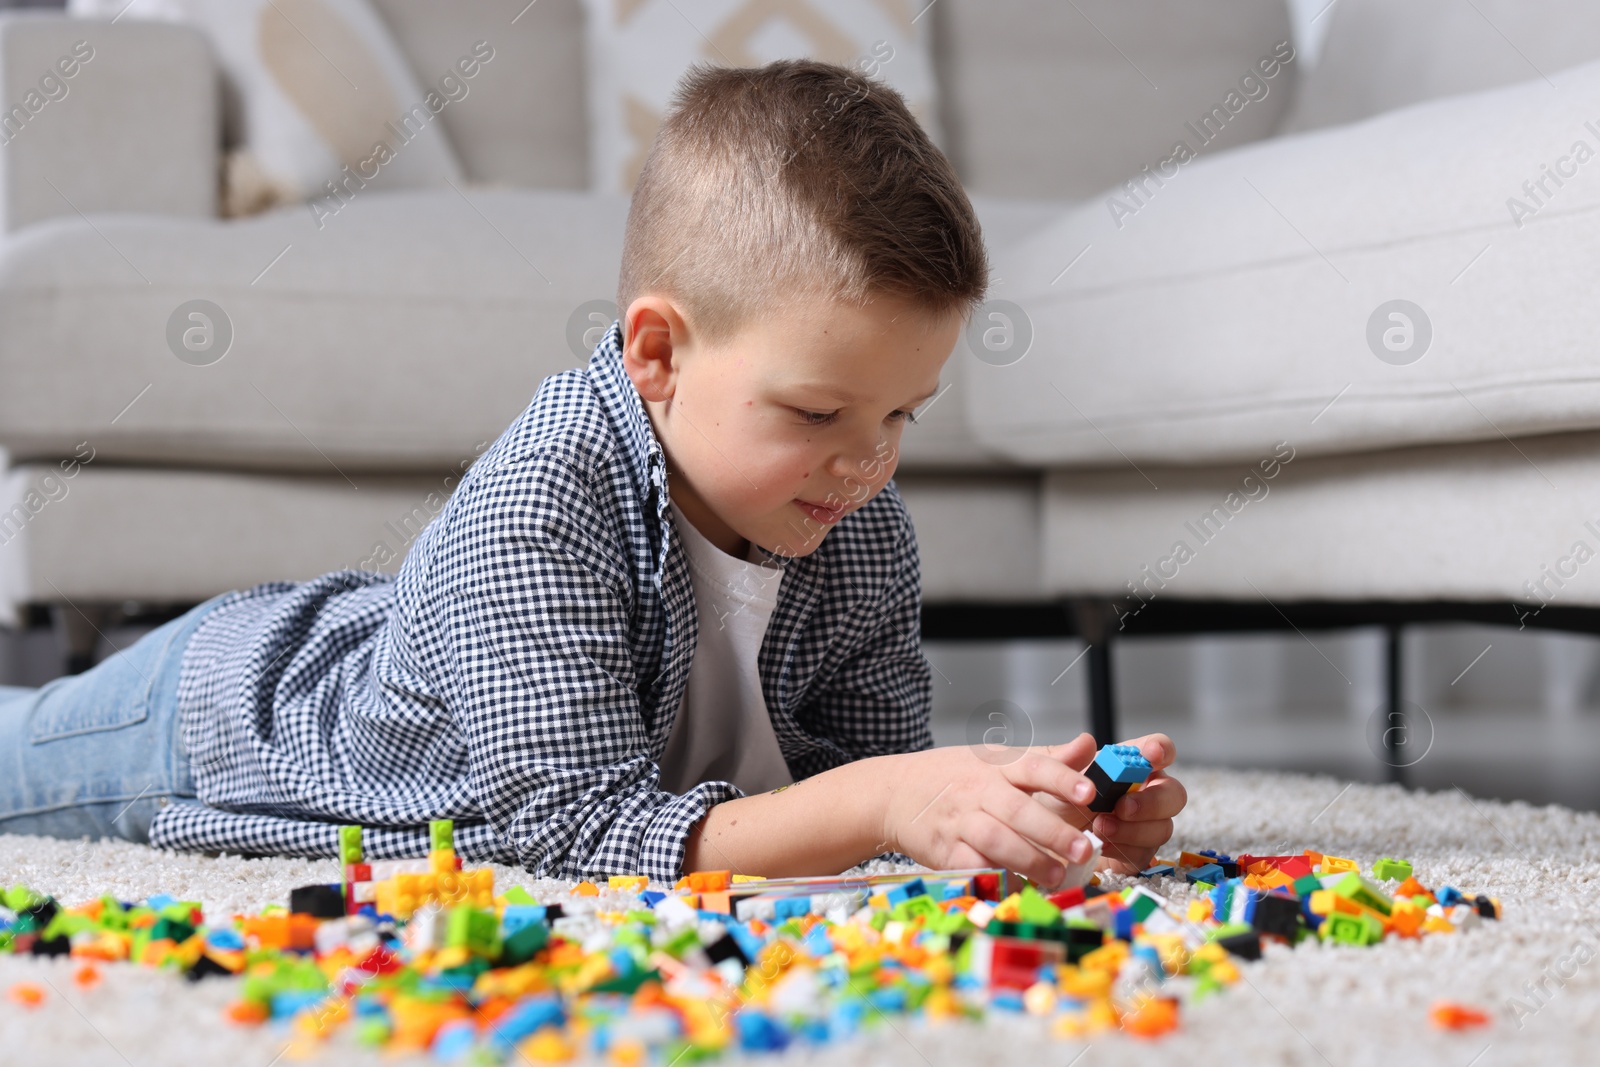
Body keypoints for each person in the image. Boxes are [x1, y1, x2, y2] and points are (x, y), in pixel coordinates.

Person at [0, 58, 1185, 886]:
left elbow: (863, 781)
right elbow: (572, 829)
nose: (868, 462)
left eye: (902, 415)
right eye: (819, 410)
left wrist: (1031, 820)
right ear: (657, 352)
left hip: (377, 645)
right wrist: (889, 800)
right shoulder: (544, 497)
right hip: (220, 722)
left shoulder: (858, 518)